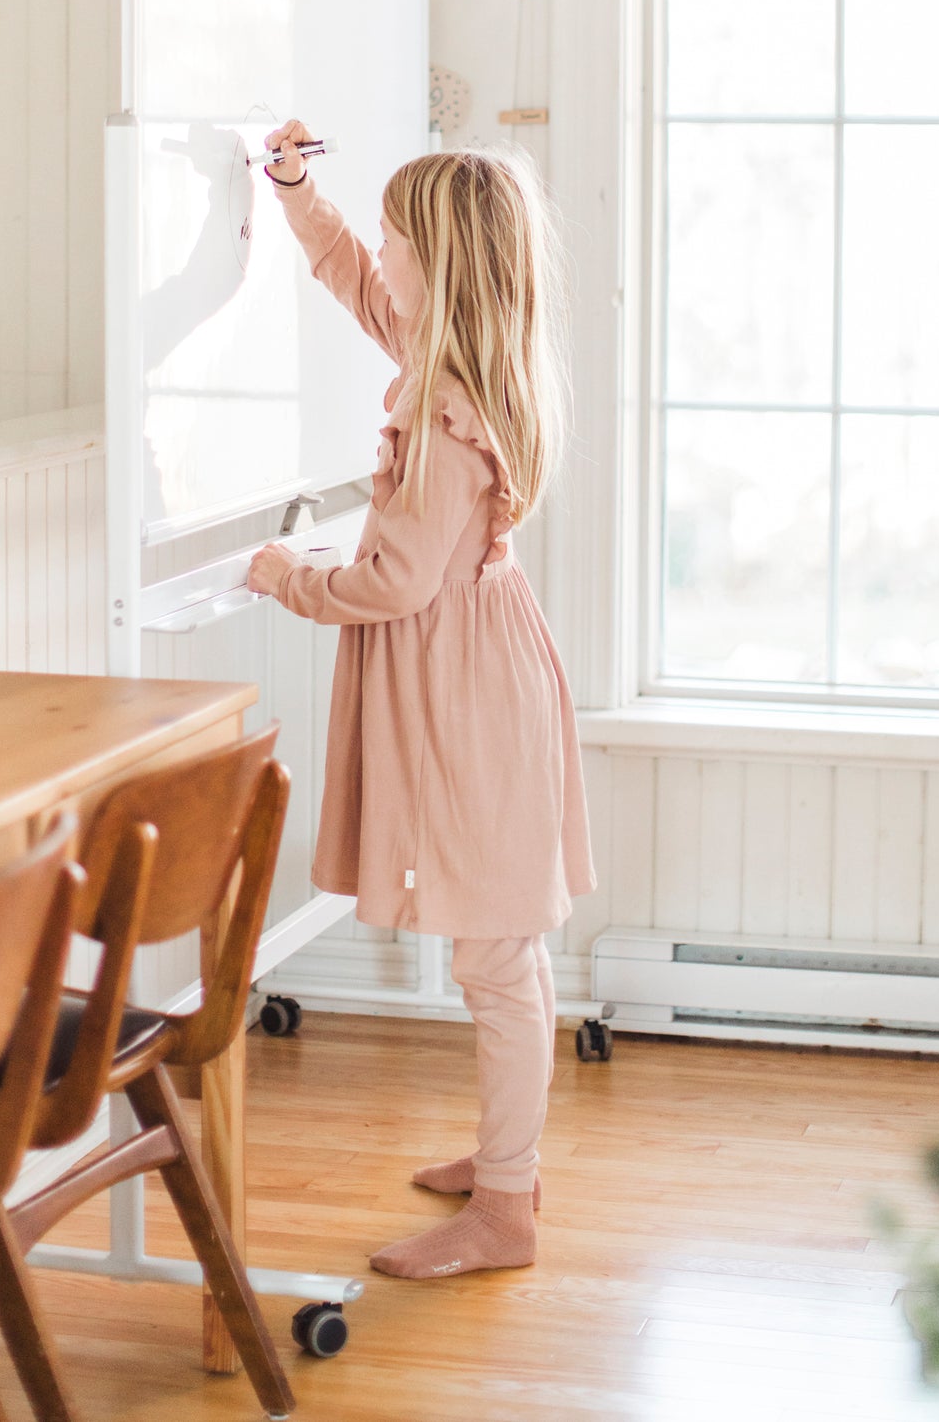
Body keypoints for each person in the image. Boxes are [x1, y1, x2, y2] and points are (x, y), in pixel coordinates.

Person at [247, 121, 595, 1281]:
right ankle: (508, 1167)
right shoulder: (465, 357)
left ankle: (506, 1208)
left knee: (496, 957)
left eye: (396, 238)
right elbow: (355, 279)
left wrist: (287, 579)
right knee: (503, 952)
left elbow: (393, 582)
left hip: (466, 693)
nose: (381, 254)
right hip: (476, 671)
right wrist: (296, 192)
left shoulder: (445, 409)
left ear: (436, 264)